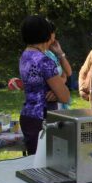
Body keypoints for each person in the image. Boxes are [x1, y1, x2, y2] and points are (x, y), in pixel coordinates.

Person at [19, 15, 70, 155]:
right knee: (47, 164)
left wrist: (54, 90)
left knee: (34, 161)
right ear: (46, 34)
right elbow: (65, 97)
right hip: (43, 120)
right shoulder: (44, 61)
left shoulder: (25, 55)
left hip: (28, 116)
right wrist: (58, 91)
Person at [44, 20, 72, 110]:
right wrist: (58, 87)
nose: (54, 35)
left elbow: (67, 73)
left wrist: (60, 52)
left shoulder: (52, 53)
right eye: (53, 32)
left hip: (59, 101)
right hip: (47, 104)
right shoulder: (40, 55)